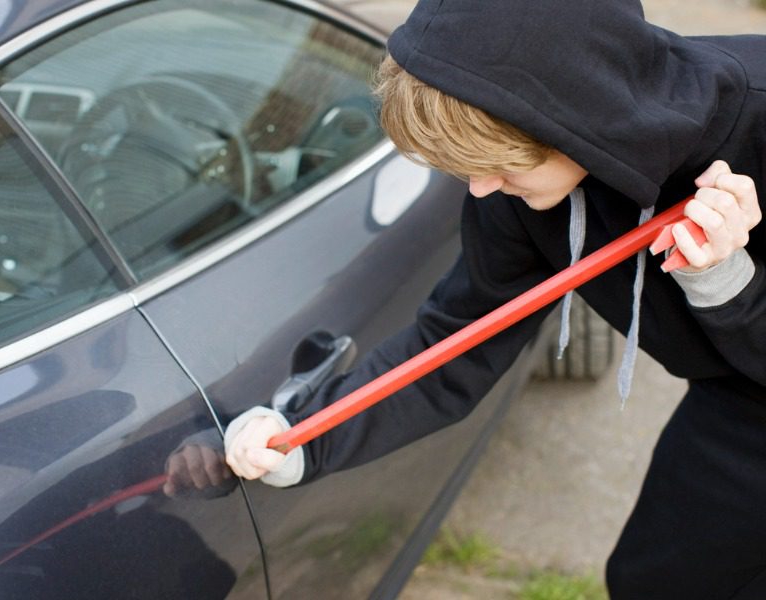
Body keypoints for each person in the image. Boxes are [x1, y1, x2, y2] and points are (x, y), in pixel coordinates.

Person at [224, 0, 766, 597]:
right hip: (737, 400)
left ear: (576, 116)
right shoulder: (515, 194)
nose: (481, 188)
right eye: (467, 167)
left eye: (500, 164)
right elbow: (455, 340)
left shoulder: (756, 120)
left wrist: (727, 285)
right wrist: (303, 436)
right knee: (655, 583)